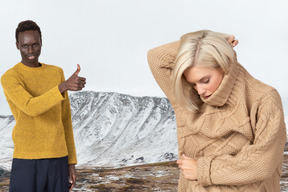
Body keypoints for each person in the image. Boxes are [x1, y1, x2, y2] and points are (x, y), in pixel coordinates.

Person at [147, 30, 286, 191]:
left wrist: (202, 170)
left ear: (223, 64)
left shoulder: (263, 99)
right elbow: (156, 57)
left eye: (205, 80)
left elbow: (262, 163)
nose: (199, 91)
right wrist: (207, 42)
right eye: (193, 84)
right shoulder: (188, 100)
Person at [1, 20, 86, 192]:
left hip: (58, 159)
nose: (31, 51)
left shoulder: (56, 72)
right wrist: (63, 86)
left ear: (41, 43)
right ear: (17, 46)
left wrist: (71, 162)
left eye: (35, 45)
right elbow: (30, 107)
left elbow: (65, 119)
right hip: (27, 160)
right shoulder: (10, 77)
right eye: (25, 46)